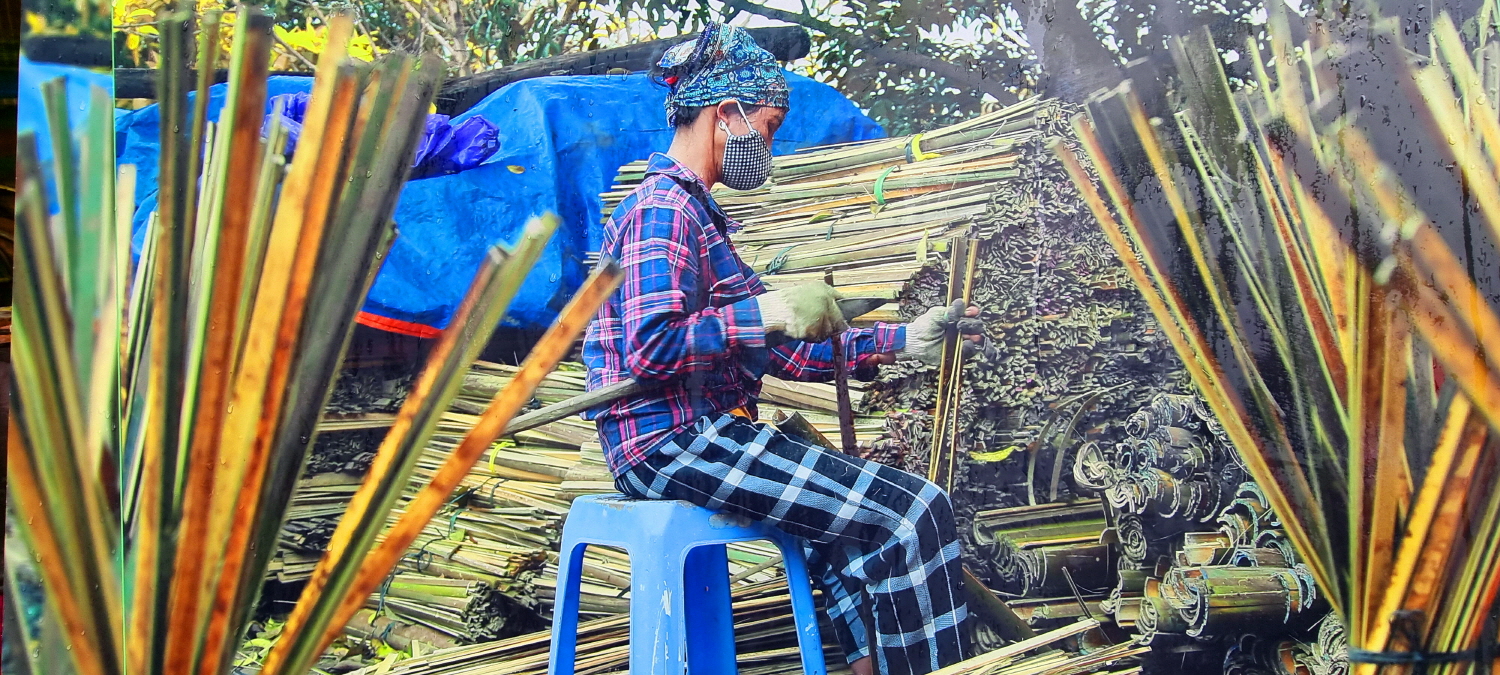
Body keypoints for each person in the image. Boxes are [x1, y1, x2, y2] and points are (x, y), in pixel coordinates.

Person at [581, 23, 986, 675]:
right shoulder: (664, 209)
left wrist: (908, 340)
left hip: (697, 434)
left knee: (850, 538)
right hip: (670, 440)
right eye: (767, 127)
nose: (767, 146)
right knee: (913, 512)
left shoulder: (699, 217)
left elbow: (787, 352)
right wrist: (766, 311)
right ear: (726, 114)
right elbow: (651, 349)